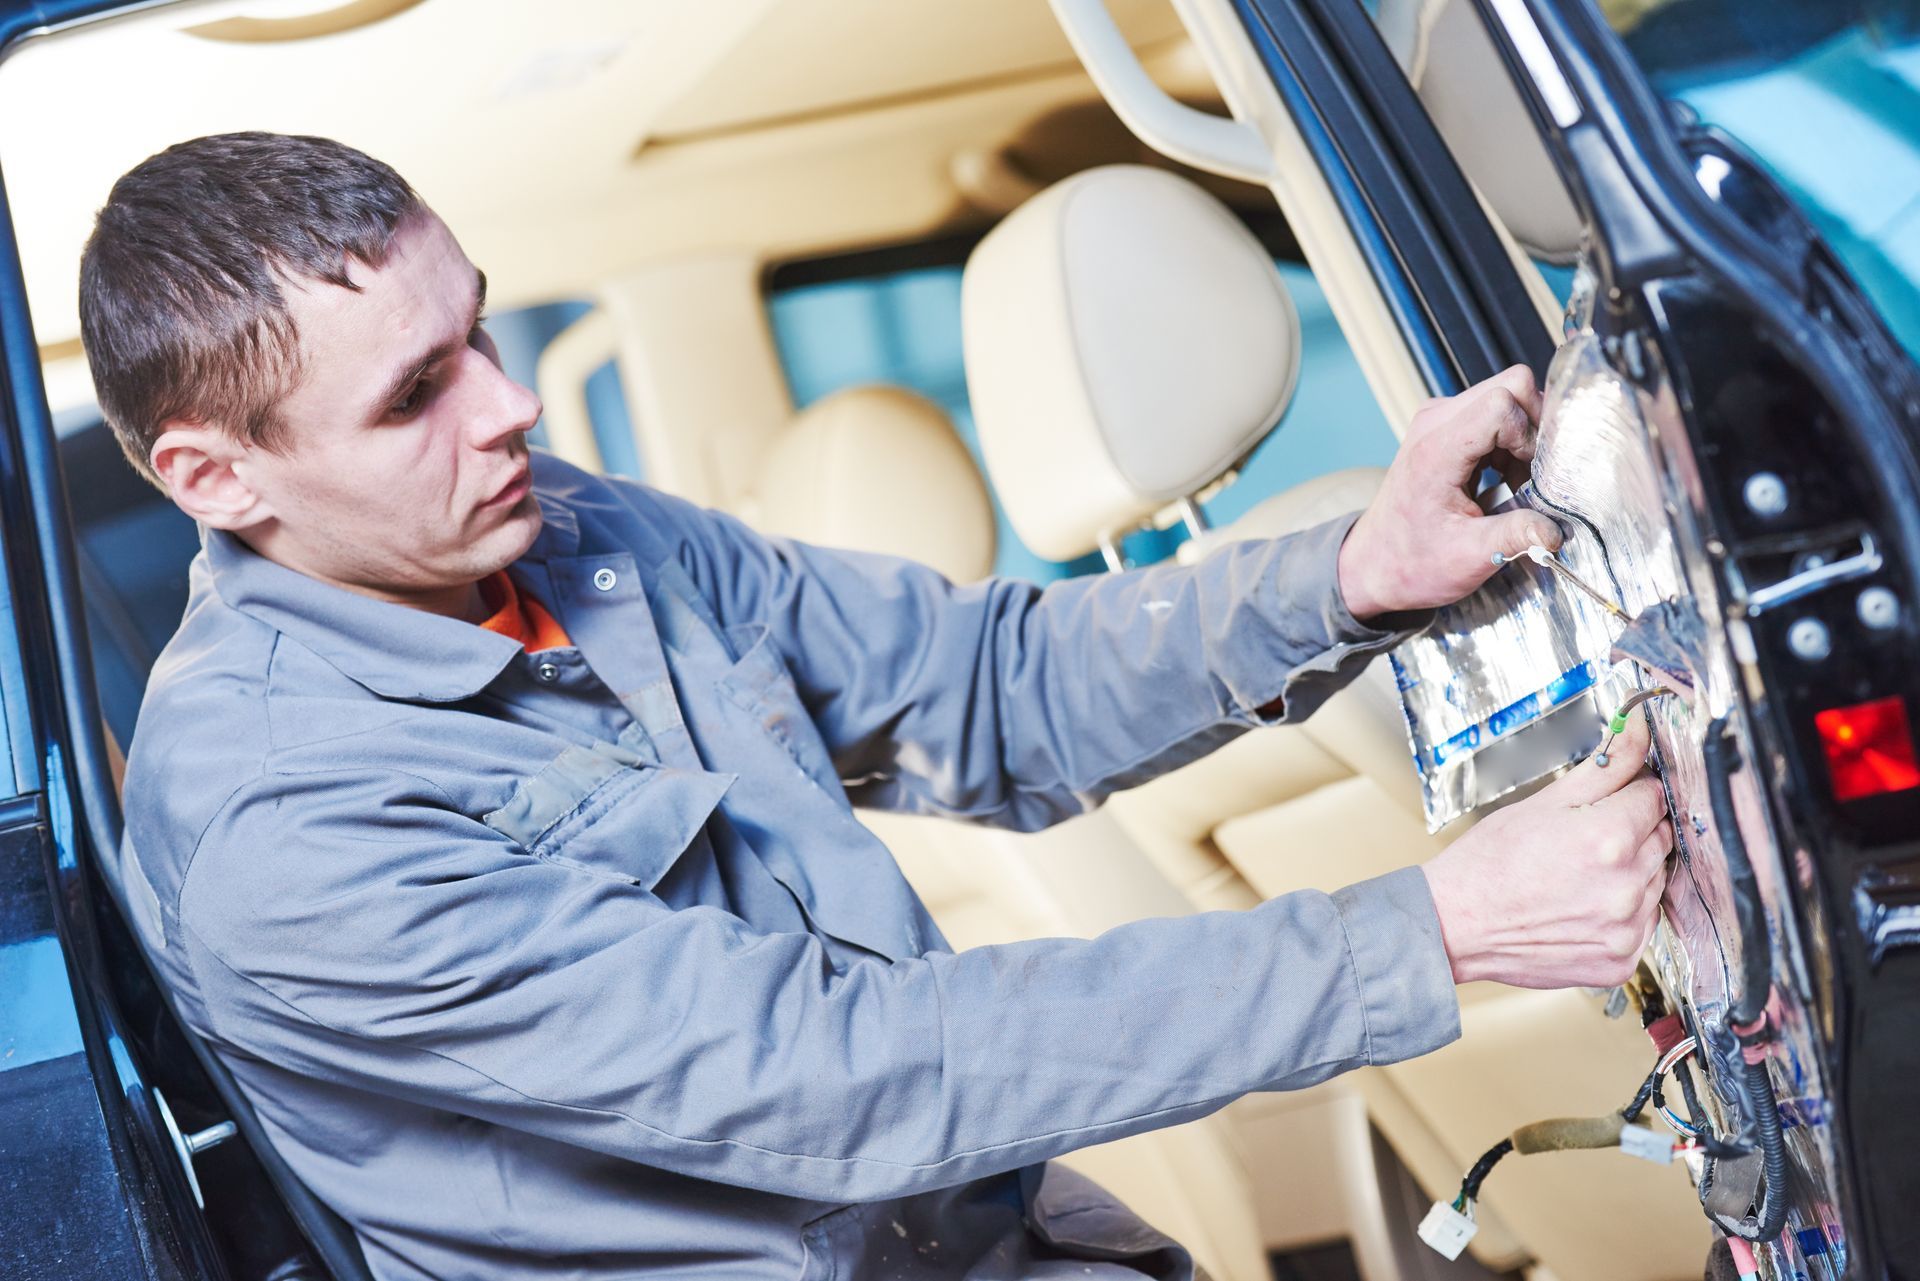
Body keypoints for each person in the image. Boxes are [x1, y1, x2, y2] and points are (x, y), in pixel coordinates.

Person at [86, 132, 1671, 1281]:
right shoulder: (279, 822)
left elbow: (991, 689)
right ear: (218, 482)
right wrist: (1434, 934)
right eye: (416, 391)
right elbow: (832, 1080)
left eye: (478, 329)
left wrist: (1353, 570)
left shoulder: (566, 530)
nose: (513, 403)